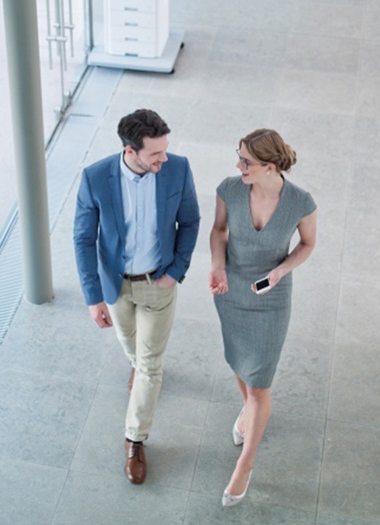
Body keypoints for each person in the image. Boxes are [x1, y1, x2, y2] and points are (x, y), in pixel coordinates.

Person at [74, 109, 200, 485]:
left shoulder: (177, 169)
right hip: (115, 285)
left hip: (157, 282)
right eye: (154, 155)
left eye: (164, 151)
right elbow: (83, 239)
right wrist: (93, 297)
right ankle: (136, 361)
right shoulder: (96, 178)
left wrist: (175, 272)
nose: (163, 159)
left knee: (150, 366)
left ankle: (135, 439)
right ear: (130, 151)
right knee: (129, 342)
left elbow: (190, 222)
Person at [208, 129, 317, 506]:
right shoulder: (230, 189)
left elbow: (308, 243)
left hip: (270, 300)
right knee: (240, 361)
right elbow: (219, 230)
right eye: (238, 157)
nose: (238, 166)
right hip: (231, 291)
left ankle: (245, 465)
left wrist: (281, 271)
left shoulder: (301, 202)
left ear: (270, 167)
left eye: (246, 162)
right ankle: (249, 413)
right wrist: (217, 266)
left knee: (259, 384)